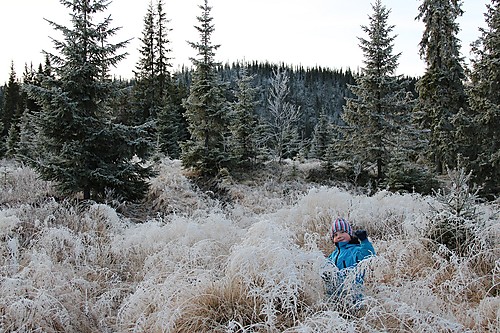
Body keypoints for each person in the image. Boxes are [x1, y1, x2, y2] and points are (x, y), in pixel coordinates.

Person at [322, 217, 376, 306]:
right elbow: (326, 268)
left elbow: (369, 256)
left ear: (350, 234)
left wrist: (364, 241)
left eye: (342, 232)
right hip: (335, 295)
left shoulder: (356, 250)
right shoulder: (333, 255)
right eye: (335, 235)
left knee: (355, 312)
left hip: (354, 293)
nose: (339, 236)